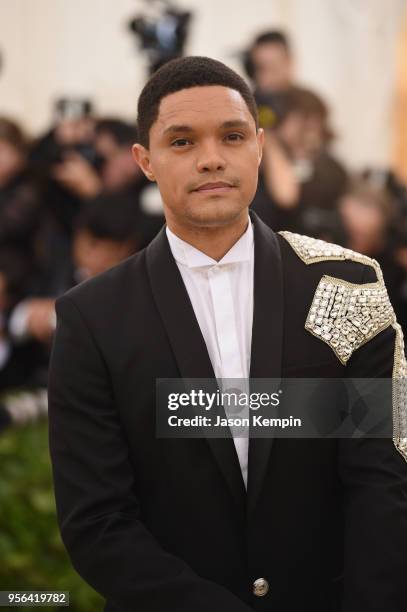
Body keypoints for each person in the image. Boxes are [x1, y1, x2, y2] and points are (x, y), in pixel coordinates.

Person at [48, 56, 407, 612]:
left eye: (232, 136)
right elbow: (98, 521)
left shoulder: (346, 284)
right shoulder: (93, 317)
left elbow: (381, 483)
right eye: (183, 142)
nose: (212, 158)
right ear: (145, 160)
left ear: (260, 146)